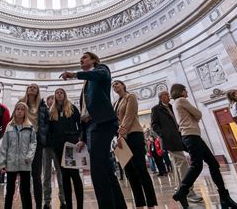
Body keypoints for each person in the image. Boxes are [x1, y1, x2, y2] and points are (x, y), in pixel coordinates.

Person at [60, 52, 126, 209]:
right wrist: (82, 136)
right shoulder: (87, 84)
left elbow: (99, 76)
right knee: (106, 169)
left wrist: (75, 74)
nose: (81, 60)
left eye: (84, 58)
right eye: (80, 59)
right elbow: (85, 112)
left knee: (97, 169)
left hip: (102, 124)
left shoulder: (102, 70)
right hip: (91, 127)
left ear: (94, 60)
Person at [171, 83, 237, 208]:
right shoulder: (181, 100)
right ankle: (182, 191)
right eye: (185, 90)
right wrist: (195, 116)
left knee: (213, 164)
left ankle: (224, 198)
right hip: (191, 135)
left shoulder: (176, 103)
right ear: (180, 91)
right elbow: (198, 114)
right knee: (197, 165)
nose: (187, 93)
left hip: (192, 136)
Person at [151, 91, 203, 203]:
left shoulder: (172, 106)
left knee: (177, 163)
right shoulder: (156, 109)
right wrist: (163, 134)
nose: (168, 97)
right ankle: (188, 191)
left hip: (180, 137)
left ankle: (179, 188)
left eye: (168, 95)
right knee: (182, 162)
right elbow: (154, 125)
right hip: (169, 139)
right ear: (161, 97)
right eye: (166, 95)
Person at [112, 80, 157, 209]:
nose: (115, 86)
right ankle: (139, 203)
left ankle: (151, 203)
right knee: (130, 172)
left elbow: (129, 115)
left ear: (123, 86)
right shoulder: (115, 103)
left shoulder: (130, 97)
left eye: (117, 84)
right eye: (113, 85)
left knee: (141, 169)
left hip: (133, 135)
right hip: (121, 139)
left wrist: (121, 132)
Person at [49, 88, 84, 209]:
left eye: (61, 92)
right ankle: (69, 205)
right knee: (64, 175)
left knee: (74, 174)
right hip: (58, 146)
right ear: (55, 96)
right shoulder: (52, 110)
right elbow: (50, 129)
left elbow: (80, 124)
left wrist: (80, 137)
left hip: (71, 144)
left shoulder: (72, 107)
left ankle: (80, 206)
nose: (59, 94)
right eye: (57, 93)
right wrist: (52, 143)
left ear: (65, 94)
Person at [0, 102, 37, 209]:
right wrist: (2, 163)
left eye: (22, 109)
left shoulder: (30, 127)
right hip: (11, 162)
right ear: (15, 111)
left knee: (26, 190)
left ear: (25, 112)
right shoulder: (9, 127)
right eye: (18, 109)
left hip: (25, 162)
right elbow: (4, 145)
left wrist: (29, 156)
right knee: (10, 190)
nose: (20, 111)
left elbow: (33, 143)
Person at [18, 84, 49, 209]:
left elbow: (47, 122)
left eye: (35, 87)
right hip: (23, 140)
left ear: (38, 91)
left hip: (37, 141)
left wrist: (43, 135)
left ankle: (39, 206)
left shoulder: (42, 105)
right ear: (26, 90)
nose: (32, 88)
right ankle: (26, 205)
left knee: (36, 176)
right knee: (24, 175)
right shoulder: (21, 103)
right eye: (30, 87)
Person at [43, 95, 66, 209]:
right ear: (47, 102)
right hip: (46, 146)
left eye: (52, 99)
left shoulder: (60, 111)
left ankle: (63, 200)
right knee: (46, 174)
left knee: (60, 174)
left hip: (58, 146)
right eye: (49, 99)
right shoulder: (44, 113)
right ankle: (47, 201)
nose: (51, 101)